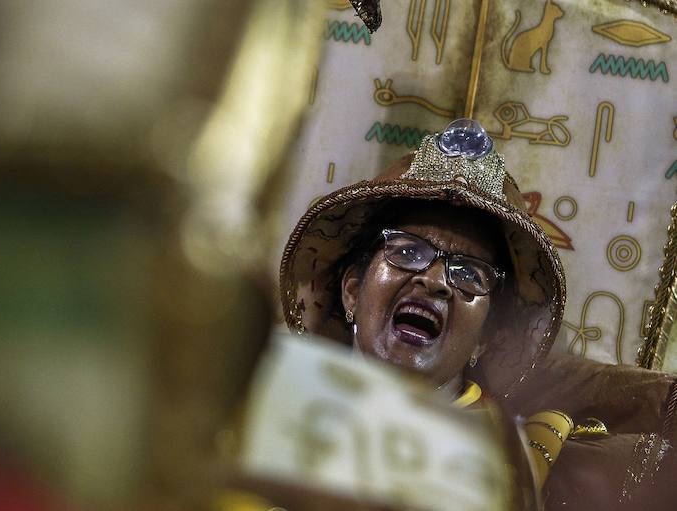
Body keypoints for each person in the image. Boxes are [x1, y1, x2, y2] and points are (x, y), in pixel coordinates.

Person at [278, 119, 677, 510]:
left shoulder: (542, 469)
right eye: (407, 251)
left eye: (469, 274)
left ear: (489, 336)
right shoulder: (253, 416)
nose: (435, 281)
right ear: (352, 291)